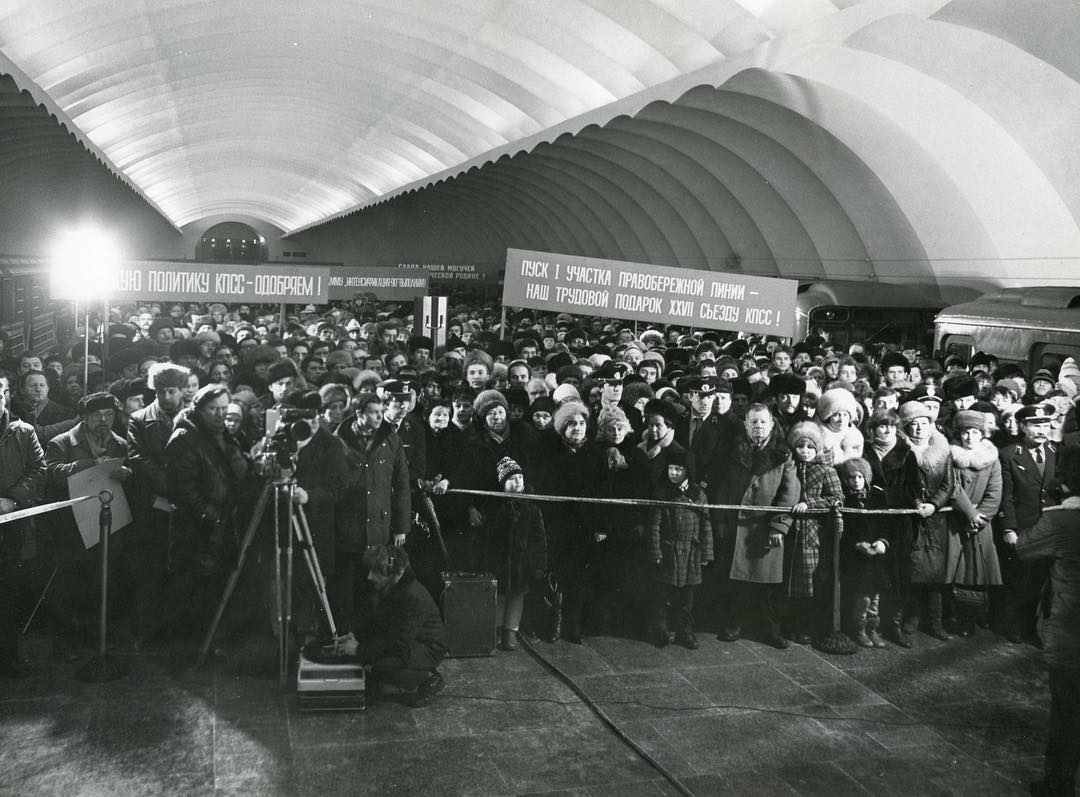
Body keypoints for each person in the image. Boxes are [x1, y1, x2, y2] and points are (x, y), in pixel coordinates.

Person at [164, 385, 250, 650]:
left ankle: (209, 649)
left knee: (215, 593)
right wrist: (215, 518)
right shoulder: (184, 439)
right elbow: (183, 493)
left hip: (223, 530)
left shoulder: (227, 436)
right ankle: (187, 655)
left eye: (224, 409)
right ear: (199, 410)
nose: (220, 415)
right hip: (198, 533)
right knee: (193, 595)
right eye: (213, 409)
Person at [1016, 445, 1080, 797]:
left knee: (1067, 711)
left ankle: (1058, 784)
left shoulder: (1060, 519)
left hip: (1071, 627)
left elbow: (1025, 548)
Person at [713, 403, 800, 648]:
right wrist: (720, 520)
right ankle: (734, 624)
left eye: (763, 422)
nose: (758, 427)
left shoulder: (783, 454)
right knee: (735, 583)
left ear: (772, 424)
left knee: (768, 586)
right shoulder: (733, 451)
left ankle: (770, 630)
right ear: (746, 425)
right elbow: (723, 487)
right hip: (736, 525)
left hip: (765, 527)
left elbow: (789, 493)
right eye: (753, 422)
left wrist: (778, 527)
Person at [126, 363, 190, 646]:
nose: (166, 397)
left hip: (186, 504)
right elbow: (138, 459)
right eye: (161, 391)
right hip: (152, 504)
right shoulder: (139, 419)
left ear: (182, 391)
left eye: (172, 391)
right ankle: (147, 630)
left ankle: (179, 632)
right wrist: (169, 488)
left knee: (181, 570)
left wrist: (183, 491)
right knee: (149, 570)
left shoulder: (194, 418)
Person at [333, 392, 410, 624]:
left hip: (380, 526)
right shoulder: (339, 440)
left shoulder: (392, 440)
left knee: (375, 583)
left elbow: (402, 485)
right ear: (359, 414)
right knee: (346, 584)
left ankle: (370, 634)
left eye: (381, 412)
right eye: (374, 413)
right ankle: (344, 632)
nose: (380, 417)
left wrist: (401, 527)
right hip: (347, 526)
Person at [345, 544, 447, 708]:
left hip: (427, 649)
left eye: (375, 572)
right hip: (409, 642)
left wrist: (358, 649)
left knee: (378, 667)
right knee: (371, 660)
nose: (369, 576)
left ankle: (428, 677)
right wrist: (355, 635)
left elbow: (398, 643)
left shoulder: (413, 596)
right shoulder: (392, 585)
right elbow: (377, 622)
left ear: (393, 573)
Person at [999, 404, 1059, 646]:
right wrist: (1008, 529)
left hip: (1050, 529)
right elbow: (1007, 496)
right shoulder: (1009, 454)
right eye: (1035, 425)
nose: (1041, 430)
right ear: (1023, 427)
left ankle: (1031, 628)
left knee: (1042, 582)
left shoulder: (1057, 452)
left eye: (1045, 425)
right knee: (1019, 581)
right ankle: (1012, 626)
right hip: (1023, 528)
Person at [0, 374, 46, 677]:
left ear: (5, 395)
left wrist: (12, 499)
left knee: (10, 595)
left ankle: (8, 656)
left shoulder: (23, 432)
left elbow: (39, 470)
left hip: (12, 527)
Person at [899, 399, 955, 643]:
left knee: (935, 572)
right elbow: (902, 483)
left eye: (924, 423)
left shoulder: (943, 451)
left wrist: (934, 504)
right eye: (914, 424)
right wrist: (914, 502)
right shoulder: (901, 452)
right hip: (911, 517)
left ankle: (935, 621)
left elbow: (949, 483)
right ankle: (910, 618)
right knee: (912, 568)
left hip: (936, 519)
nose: (920, 428)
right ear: (907, 428)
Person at [646, 449, 712, 649]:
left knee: (687, 598)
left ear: (688, 472)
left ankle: (685, 631)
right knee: (663, 594)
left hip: (691, 553)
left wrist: (707, 552)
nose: (673, 473)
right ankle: (660, 630)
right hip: (669, 552)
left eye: (678, 469)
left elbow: (706, 525)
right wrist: (656, 551)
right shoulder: (662, 493)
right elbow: (654, 525)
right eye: (670, 469)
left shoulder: (698, 494)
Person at [945, 410, 1003, 637]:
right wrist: (970, 514)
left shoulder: (991, 458)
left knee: (978, 571)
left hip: (982, 522)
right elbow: (953, 487)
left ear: (982, 434)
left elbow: (995, 492)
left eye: (975, 432)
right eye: (965, 432)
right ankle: (957, 618)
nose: (969, 437)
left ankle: (975, 615)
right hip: (957, 518)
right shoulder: (952, 456)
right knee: (956, 569)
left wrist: (981, 518)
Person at [785, 421, 843, 644]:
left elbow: (837, 498)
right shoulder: (791, 467)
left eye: (810, 447)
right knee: (790, 581)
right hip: (792, 530)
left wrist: (809, 503)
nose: (805, 451)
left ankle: (806, 627)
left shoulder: (826, 470)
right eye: (801, 447)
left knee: (809, 581)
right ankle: (790, 625)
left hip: (812, 534)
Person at [486, 457, 547, 651]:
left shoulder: (532, 508)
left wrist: (538, 564)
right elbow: (488, 536)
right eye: (513, 478)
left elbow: (539, 540)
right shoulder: (495, 507)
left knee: (516, 597)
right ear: (503, 483)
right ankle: (495, 630)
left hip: (522, 563)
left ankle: (510, 632)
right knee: (499, 596)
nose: (519, 482)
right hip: (500, 562)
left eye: (520, 477)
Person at [836, 458, 890, 648]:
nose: (857, 481)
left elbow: (885, 523)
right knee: (862, 597)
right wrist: (857, 544)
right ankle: (859, 629)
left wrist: (882, 541)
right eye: (852, 477)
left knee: (875, 595)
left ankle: (872, 629)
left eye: (860, 476)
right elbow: (845, 531)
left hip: (876, 556)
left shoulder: (876, 497)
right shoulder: (845, 500)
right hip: (857, 557)